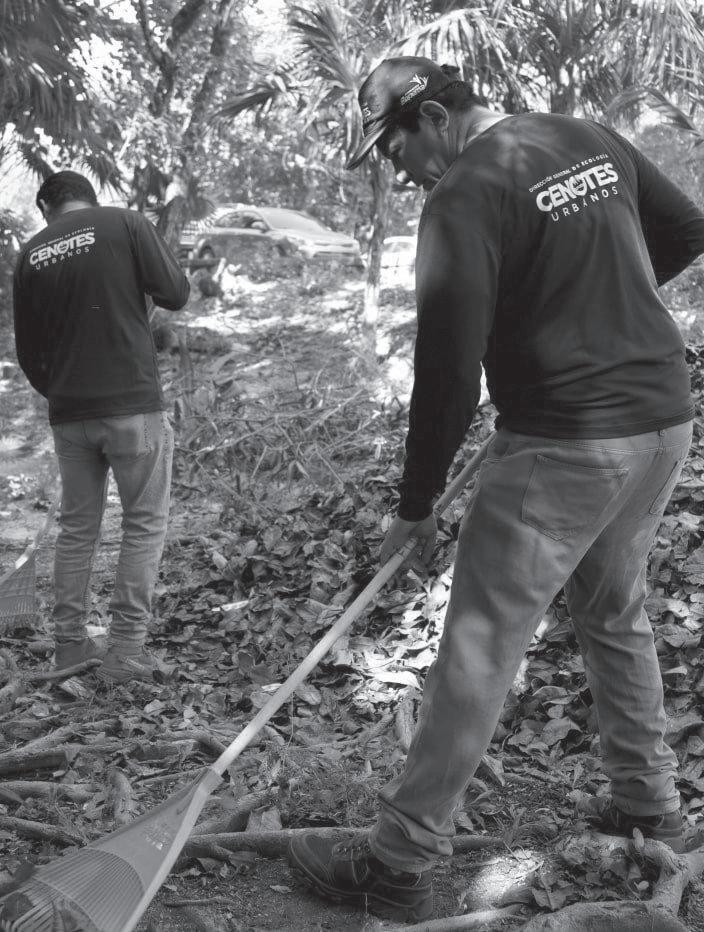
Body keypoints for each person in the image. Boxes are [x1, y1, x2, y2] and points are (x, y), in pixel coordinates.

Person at [288, 57, 704, 923]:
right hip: (662, 424)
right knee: (613, 610)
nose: (399, 170)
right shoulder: (584, 135)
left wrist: (415, 505)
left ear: (435, 117)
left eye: (395, 148)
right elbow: (686, 229)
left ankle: (399, 861)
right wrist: (600, 316)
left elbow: (447, 368)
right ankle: (652, 805)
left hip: (566, 445)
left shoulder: (466, 192)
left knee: (480, 647)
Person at [13, 170, 190, 683]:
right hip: (132, 408)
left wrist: (63, 393)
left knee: (77, 529)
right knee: (144, 523)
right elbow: (175, 293)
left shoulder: (30, 254)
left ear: (46, 209)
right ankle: (126, 650)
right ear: (90, 198)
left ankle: (69, 646)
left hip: (69, 415)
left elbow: (28, 351)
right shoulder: (124, 223)